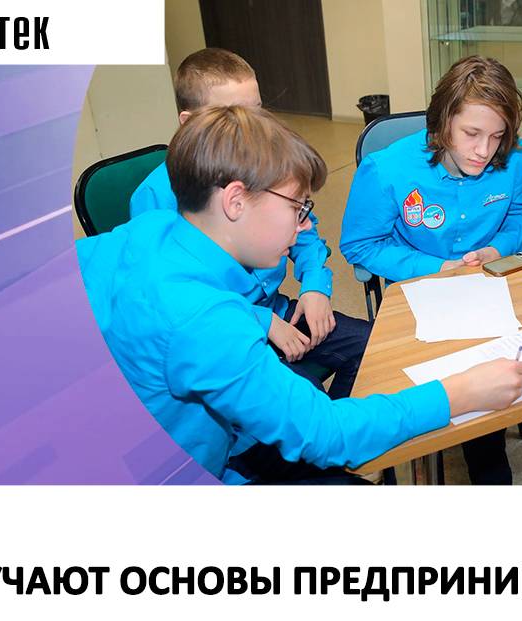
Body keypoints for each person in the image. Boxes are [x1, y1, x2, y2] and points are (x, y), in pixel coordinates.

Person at [78, 105, 522, 484]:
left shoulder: (150, 230)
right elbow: (324, 432)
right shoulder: (207, 322)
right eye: (298, 207)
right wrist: (459, 392)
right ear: (235, 201)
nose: (307, 224)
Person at [339, 55, 522, 485]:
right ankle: (491, 480)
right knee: (478, 381)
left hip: (498, 282)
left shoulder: (513, 157)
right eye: (472, 134)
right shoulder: (386, 169)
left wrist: (496, 248)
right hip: (424, 297)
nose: (484, 150)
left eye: (497, 136)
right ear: (442, 124)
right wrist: (439, 266)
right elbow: (360, 244)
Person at [130, 48, 369, 400]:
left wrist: (315, 285)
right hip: (221, 331)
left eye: (257, 111)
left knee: (372, 347)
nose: (253, 127)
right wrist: (262, 321)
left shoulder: (267, 168)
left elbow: (303, 228)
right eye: (231, 115)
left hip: (276, 308)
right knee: (303, 395)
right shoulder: (156, 197)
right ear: (188, 122)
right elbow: (174, 301)